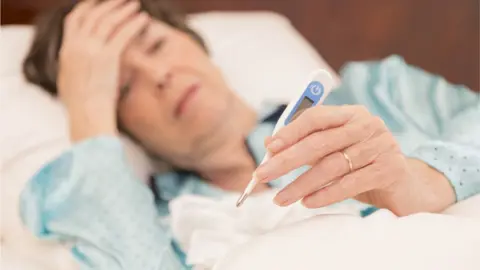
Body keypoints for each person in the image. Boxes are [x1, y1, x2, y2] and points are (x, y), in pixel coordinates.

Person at [20, 0, 480, 269]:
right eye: (121, 87)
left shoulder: (377, 93)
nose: (158, 74)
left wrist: (423, 181)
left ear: (195, 41)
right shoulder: (156, 223)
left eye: (156, 44)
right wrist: (88, 114)